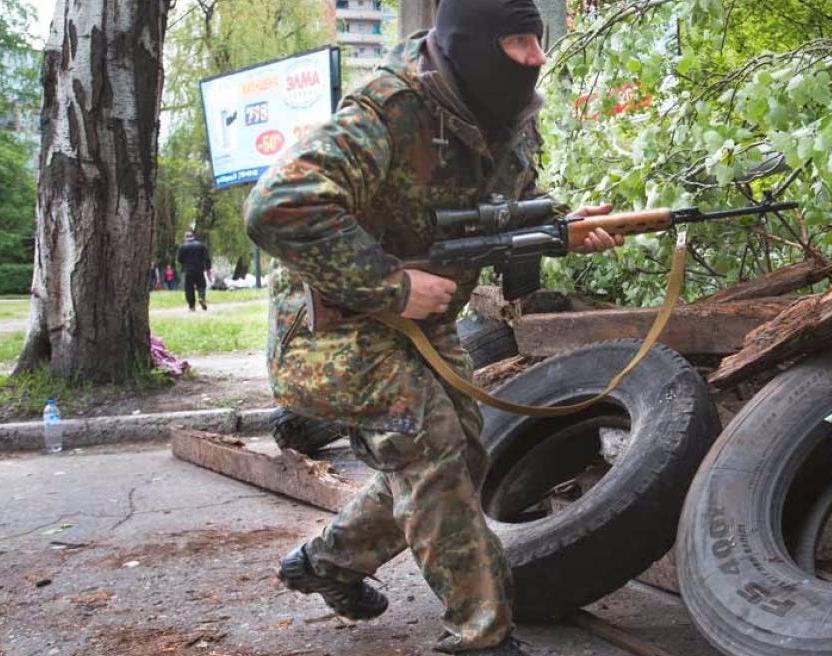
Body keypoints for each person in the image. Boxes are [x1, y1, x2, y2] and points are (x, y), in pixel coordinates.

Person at [243, 2, 622, 654]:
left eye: (538, 39)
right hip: (328, 324)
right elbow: (277, 205)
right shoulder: (392, 109)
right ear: (471, 43)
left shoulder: (502, 115)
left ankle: (329, 562)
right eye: (518, 41)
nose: (537, 55)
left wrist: (562, 229)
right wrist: (390, 286)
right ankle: (482, 635)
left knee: (465, 454)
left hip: (421, 319)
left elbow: (492, 218)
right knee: (430, 439)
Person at [176, 231, 211, 311]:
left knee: (189, 288)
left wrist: (185, 264)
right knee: (201, 285)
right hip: (199, 269)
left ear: (185, 238)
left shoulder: (182, 247)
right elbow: (207, 258)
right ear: (193, 236)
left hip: (188, 270)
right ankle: (201, 297)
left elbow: (179, 259)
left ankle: (192, 306)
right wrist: (208, 268)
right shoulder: (201, 245)